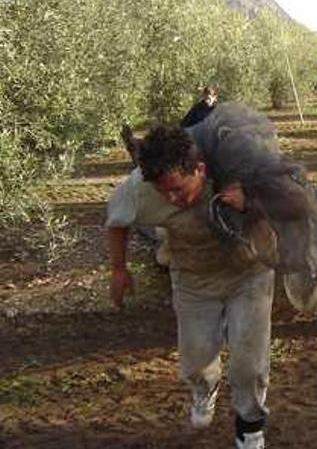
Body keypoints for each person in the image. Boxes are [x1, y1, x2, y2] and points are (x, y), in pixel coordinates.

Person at [105, 125, 275, 449]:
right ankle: (203, 388)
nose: (172, 199)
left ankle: (249, 426)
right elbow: (116, 221)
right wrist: (118, 269)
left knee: (249, 361)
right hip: (193, 280)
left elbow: (293, 209)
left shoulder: (240, 172)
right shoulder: (138, 189)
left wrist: (250, 203)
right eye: (163, 193)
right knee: (196, 357)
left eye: (179, 190)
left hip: (249, 274)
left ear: (200, 170)